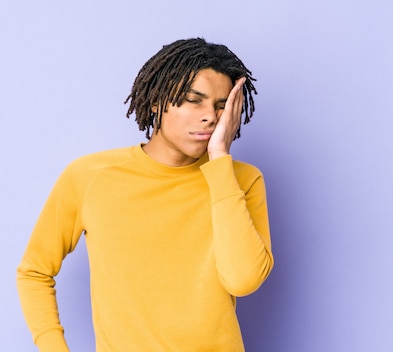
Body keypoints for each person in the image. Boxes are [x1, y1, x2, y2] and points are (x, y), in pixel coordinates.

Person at [16, 38, 274, 352]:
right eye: (194, 100)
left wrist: (220, 158)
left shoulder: (241, 180)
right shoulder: (90, 176)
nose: (210, 116)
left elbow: (242, 280)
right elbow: (35, 272)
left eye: (222, 106)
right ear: (157, 102)